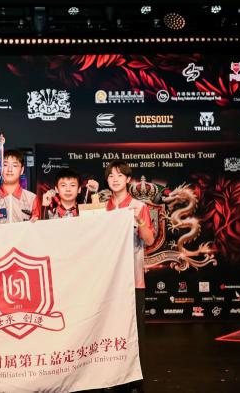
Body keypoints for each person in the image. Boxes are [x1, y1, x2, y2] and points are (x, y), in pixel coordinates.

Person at [104, 160, 155, 393]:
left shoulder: (138, 206)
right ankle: (110, 377)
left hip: (133, 280)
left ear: (128, 180)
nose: (115, 179)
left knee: (134, 332)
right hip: (106, 282)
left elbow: (150, 239)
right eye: (111, 176)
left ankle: (135, 380)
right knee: (108, 330)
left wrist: (140, 220)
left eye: (119, 175)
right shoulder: (101, 208)